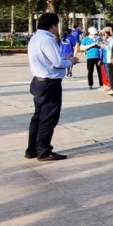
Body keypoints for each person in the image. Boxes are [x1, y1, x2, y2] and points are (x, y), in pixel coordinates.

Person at [26, 12, 79, 162]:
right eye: (57, 25)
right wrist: (71, 61)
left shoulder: (35, 38)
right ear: (53, 26)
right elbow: (57, 63)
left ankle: (32, 149)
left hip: (38, 81)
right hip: (49, 83)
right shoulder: (47, 40)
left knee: (38, 117)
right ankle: (44, 150)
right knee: (48, 118)